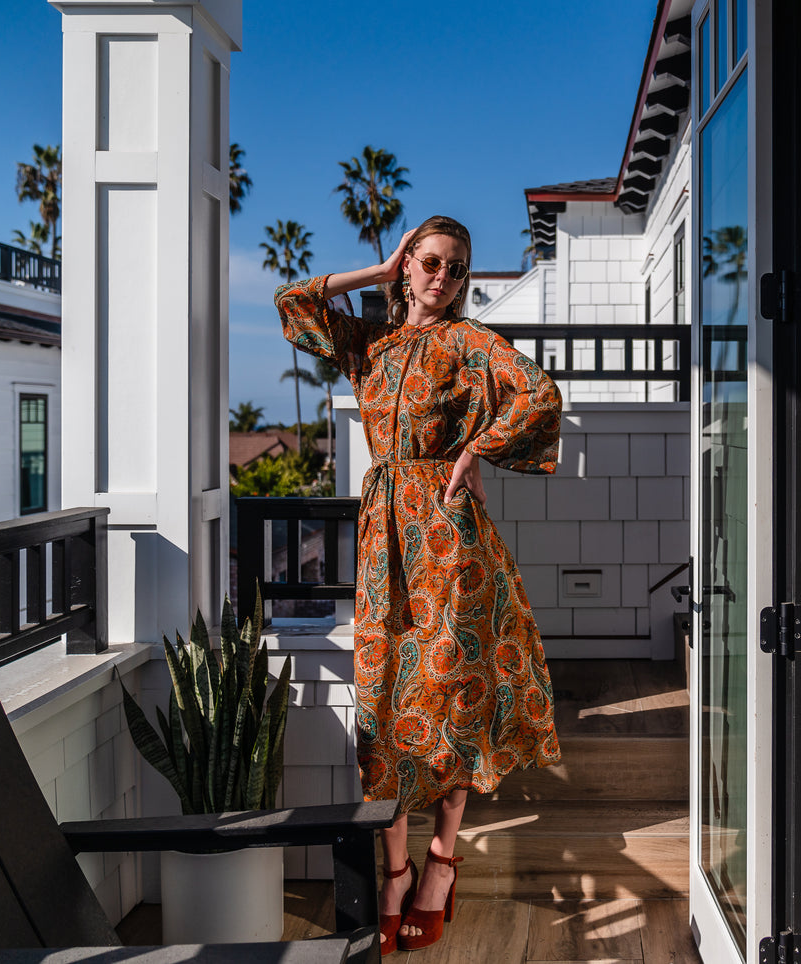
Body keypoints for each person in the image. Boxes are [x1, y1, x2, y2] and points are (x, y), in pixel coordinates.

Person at [276, 215, 563, 953]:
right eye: (429, 262)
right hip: (382, 543)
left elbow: (539, 396)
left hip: (448, 537)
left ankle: (439, 861)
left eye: (456, 268)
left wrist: (474, 452)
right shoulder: (370, 345)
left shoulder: (469, 343)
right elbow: (294, 302)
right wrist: (374, 274)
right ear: (408, 266)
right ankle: (393, 868)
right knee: (383, 698)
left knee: (449, 692)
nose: (443, 277)